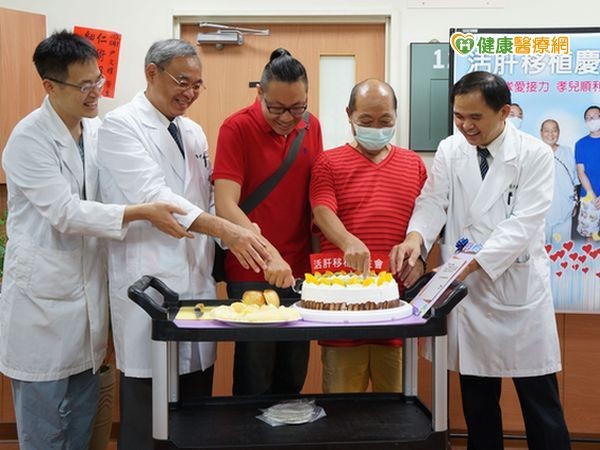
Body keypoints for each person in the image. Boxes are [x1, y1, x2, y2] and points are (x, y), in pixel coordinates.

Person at [0, 31, 195, 450]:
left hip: (87, 302)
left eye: (99, 81)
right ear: (50, 86)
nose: (95, 93)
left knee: (82, 426)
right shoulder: (28, 139)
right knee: (44, 431)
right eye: (84, 85)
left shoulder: (95, 130)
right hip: (41, 306)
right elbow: (65, 213)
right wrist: (142, 212)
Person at [96, 39, 270, 448]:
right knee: (148, 415)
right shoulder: (120, 126)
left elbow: (203, 199)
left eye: (197, 84)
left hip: (195, 283)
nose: (190, 92)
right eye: (182, 81)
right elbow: (156, 196)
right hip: (149, 282)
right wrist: (226, 230)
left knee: (195, 413)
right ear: (151, 73)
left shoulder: (192, 131)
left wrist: (239, 229)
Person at [394, 71, 571, 450]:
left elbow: (523, 224)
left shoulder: (534, 154)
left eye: (475, 117)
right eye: (459, 116)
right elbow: (433, 201)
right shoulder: (450, 149)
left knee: (541, 403)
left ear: (504, 112)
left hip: (518, 291)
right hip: (469, 295)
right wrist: (416, 237)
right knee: (478, 404)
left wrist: (467, 263)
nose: (465, 126)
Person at [213, 48, 323, 395]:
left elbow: (314, 197)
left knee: (292, 375)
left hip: (298, 273)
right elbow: (225, 205)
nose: (288, 118)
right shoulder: (236, 127)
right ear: (259, 93)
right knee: (255, 377)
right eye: (277, 108)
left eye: (297, 107)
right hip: (251, 269)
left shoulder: (311, 126)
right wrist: (269, 255)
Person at [309, 79, 427, 393]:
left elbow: (427, 221)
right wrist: (348, 241)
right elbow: (322, 210)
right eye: (366, 121)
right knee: (344, 407)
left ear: (396, 116)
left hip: (397, 308)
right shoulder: (328, 162)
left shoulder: (414, 164)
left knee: (398, 406)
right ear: (349, 115)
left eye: (385, 121)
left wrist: (421, 260)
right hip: (343, 312)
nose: (376, 128)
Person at [540, 119, 579, 243]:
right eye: (547, 131)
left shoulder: (567, 152)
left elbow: (574, 180)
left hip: (564, 208)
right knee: (541, 248)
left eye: (554, 130)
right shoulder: (534, 152)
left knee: (562, 248)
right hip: (541, 211)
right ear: (541, 133)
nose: (550, 134)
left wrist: (575, 203)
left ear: (559, 132)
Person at [574, 105, 600, 241]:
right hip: (589, 197)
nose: (591, 120)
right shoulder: (581, 144)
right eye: (588, 118)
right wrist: (592, 195)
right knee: (590, 237)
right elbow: (581, 172)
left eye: (594, 117)